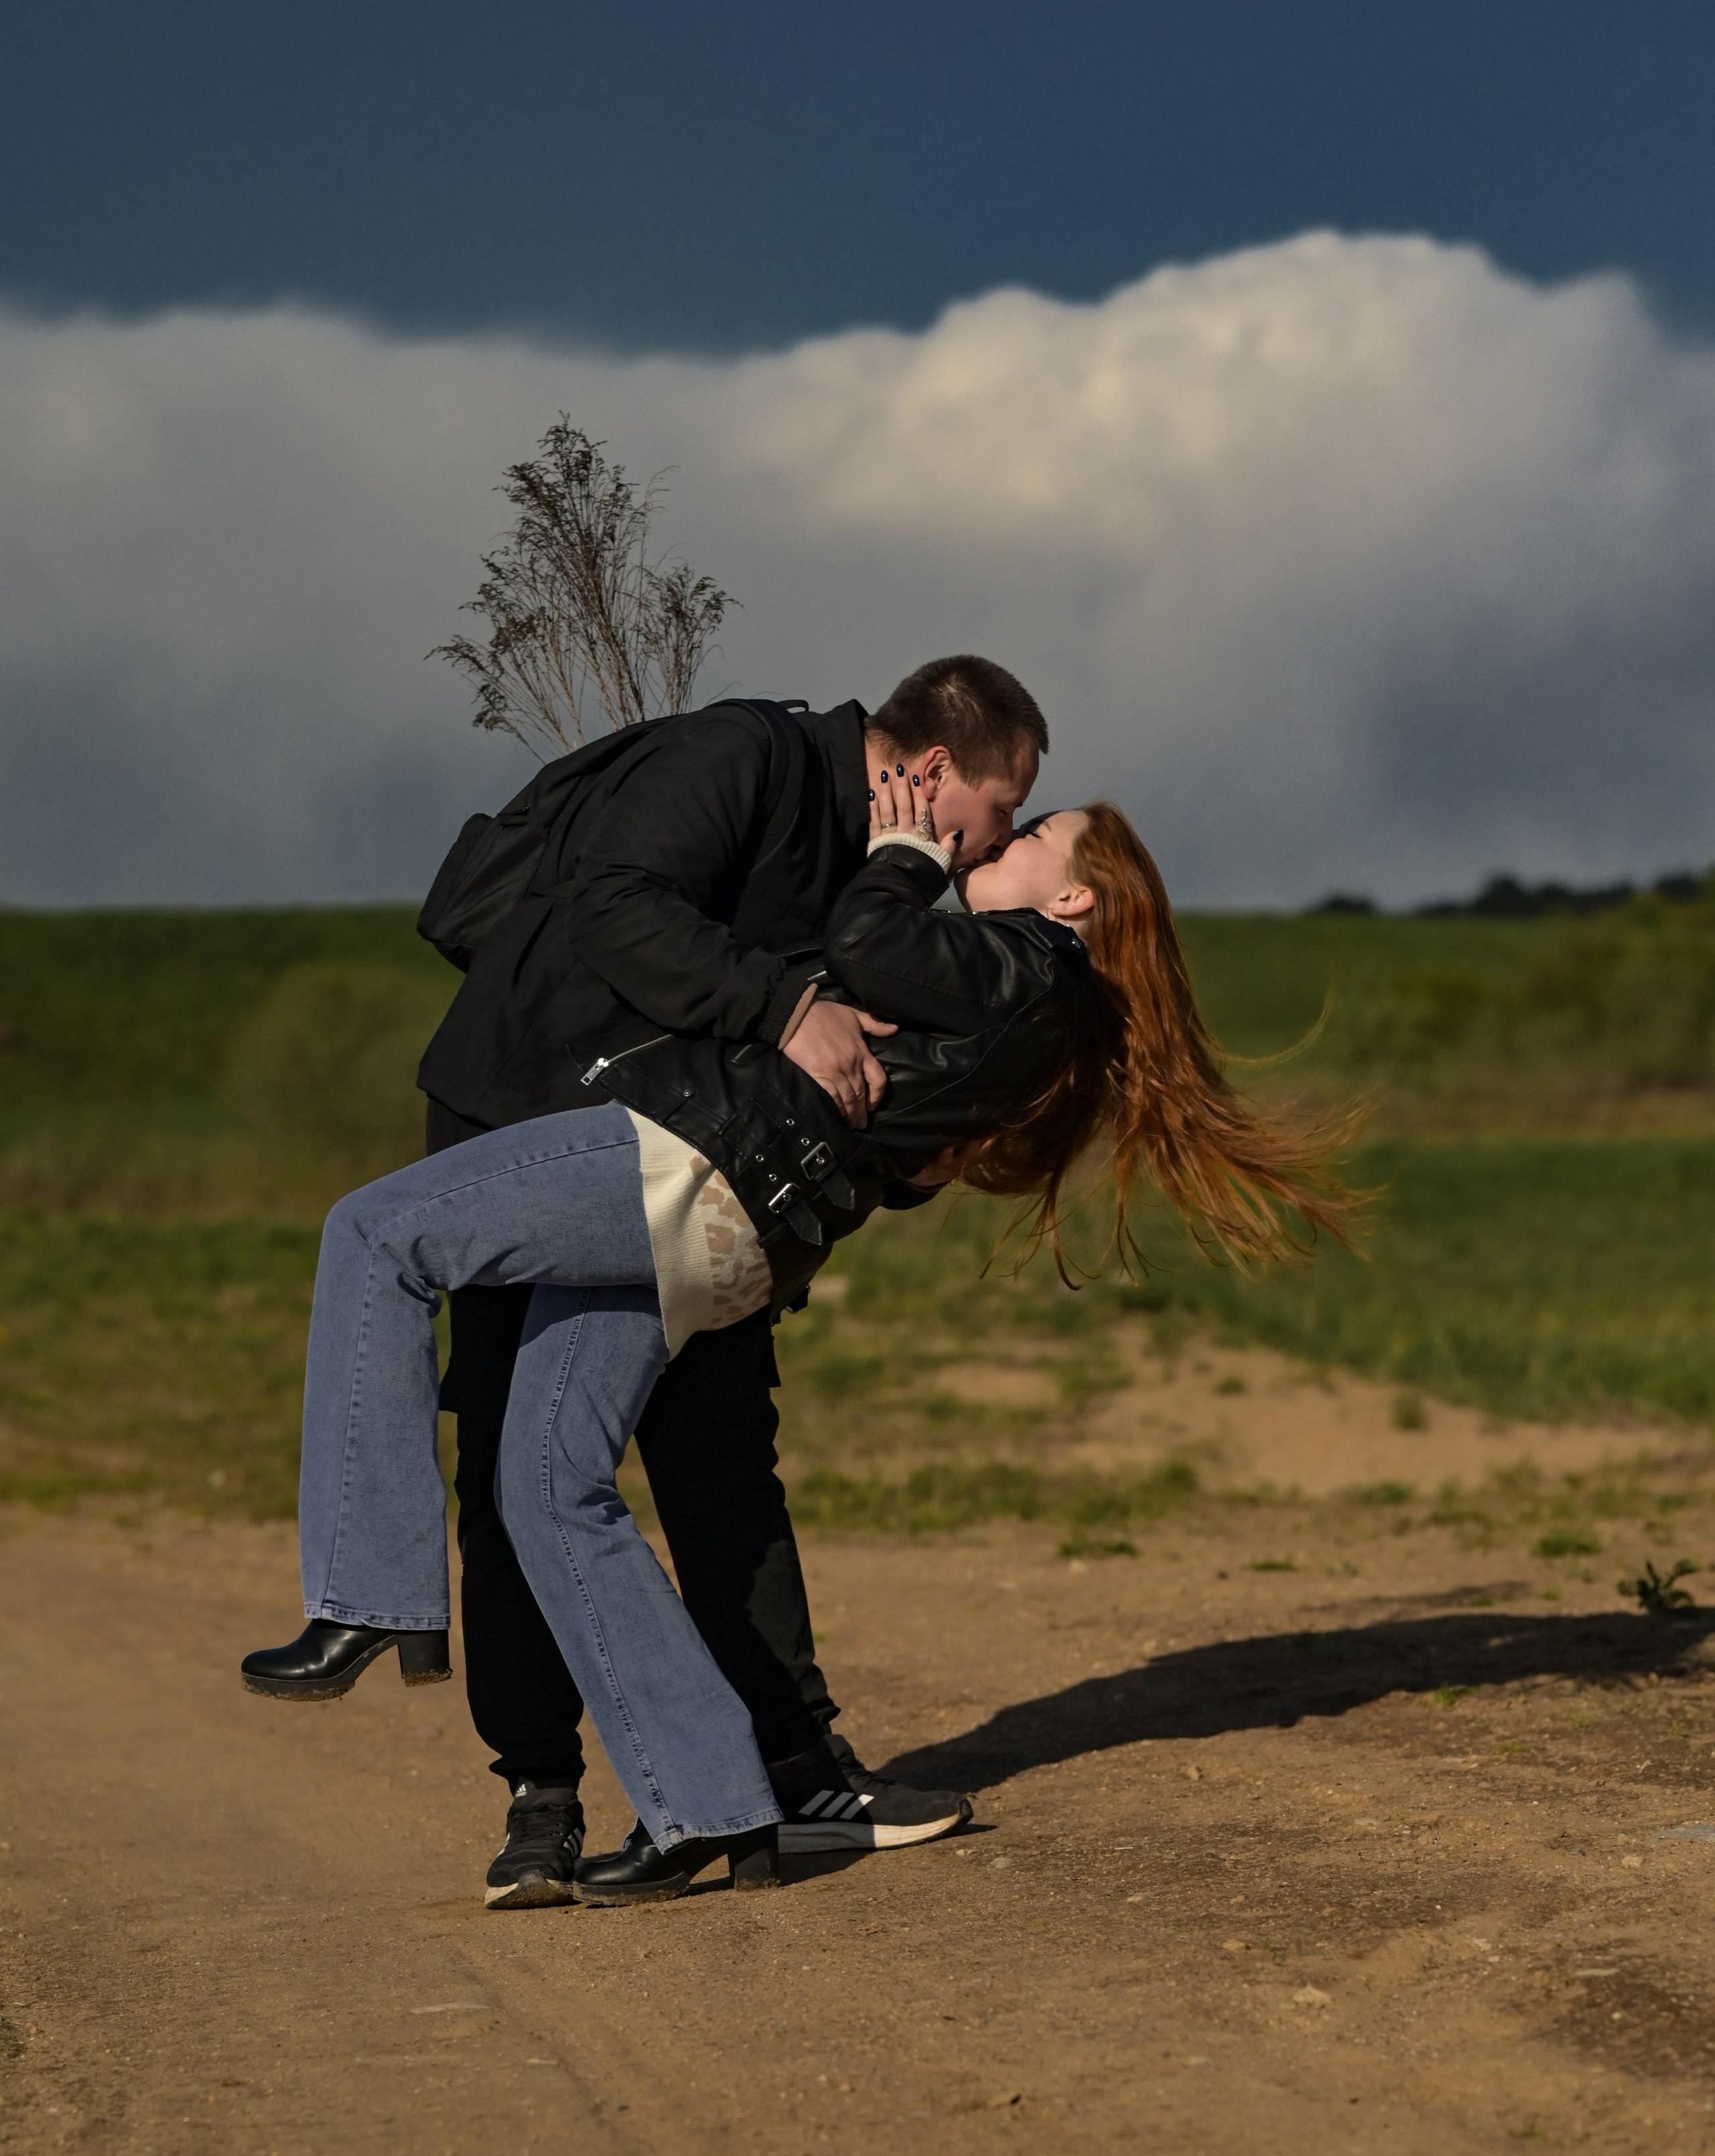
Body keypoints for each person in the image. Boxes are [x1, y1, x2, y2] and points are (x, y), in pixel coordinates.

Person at [241, 798, 1353, 1908]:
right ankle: (704, 1805)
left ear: (1073, 898)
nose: (990, 846)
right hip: (738, 1240)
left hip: (690, 1167)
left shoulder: (1025, 958)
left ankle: (371, 1595)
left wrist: (904, 856)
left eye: (1024, 840)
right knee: (548, 1483)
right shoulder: (1039, 1007)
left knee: (377, 1230)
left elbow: (871, 941)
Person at [427, 657, 1046, 1906]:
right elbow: (613, 903)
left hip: (675, 1171)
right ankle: (540, 1798)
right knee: (512, 1463)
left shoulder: (879, 871)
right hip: (517, 1129)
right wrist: (783, 1004)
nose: (1004, 844)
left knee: (721, 1449)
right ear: (930, 775)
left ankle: (796, 1775)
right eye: (1001, 813)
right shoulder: (743, 756)